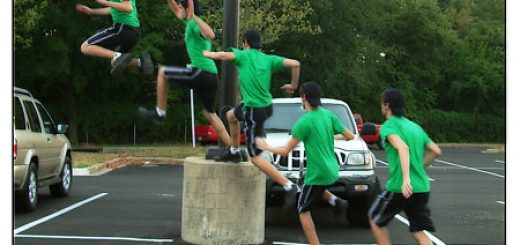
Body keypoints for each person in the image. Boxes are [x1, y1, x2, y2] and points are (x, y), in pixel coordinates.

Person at [203, 29, 300, 208]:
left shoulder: (243, 56)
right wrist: (293, 85)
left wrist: (206, 53)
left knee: (255, 158)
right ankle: (233, 151)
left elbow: (224, 55)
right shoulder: (268, 59)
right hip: (263, 106)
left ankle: (289, 186)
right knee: (231, 115)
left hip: (255, 111)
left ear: (245, 42)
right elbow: (295, 64)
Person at [257, 82, 354, 245]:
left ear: (304, 98)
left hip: (318, 174)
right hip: (332, 171)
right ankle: (335, 201)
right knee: (304, 183)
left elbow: (285, 152)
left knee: (303, 210)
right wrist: (331, 137)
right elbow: (350, 136)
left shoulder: (303, 123)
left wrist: (267, 147)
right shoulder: (328, 115)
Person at [138, 0, 232, 147]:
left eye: (181, 7)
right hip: (211, 76)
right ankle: (234, 150)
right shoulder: (188, 22)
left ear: (189, 10)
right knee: (210, 114)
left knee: (163, 72)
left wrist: (194, 17)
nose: (178, 10)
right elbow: (173, 6)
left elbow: (211, 35)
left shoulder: (195, 24)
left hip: (201, 72)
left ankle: (160, 113)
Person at [368, 88, 442, 245]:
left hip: (400, 188)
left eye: (382, 103)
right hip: (421, 187)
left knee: (375, 219)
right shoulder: (415, 128)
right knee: (418, 232)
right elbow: (435, 151)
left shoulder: (388, 127)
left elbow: (402, 148)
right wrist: (420, 167)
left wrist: (406, 179)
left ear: (387, 105)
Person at [76, 0, 153, 76]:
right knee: (114, 62)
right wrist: (92, 11)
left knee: (85, 47)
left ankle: (119, 56)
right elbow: (114, 8)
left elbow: (128, 8)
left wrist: (105, 2)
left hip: (124, 28)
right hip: (134, 32)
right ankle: (140, 62)